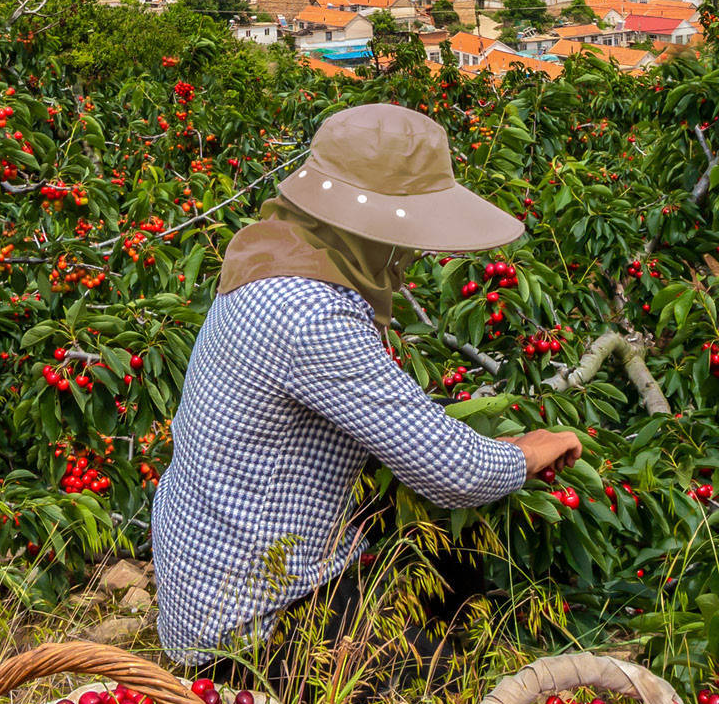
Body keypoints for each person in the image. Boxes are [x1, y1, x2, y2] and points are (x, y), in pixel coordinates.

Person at [150, 102, 585, 671]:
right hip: (246, 633)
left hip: (212, 574)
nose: (408, 256)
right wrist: (531, 449)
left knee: (449, 577)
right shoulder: (310, 313)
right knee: (443, 682)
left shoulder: (273, 261)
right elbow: (455, 473)